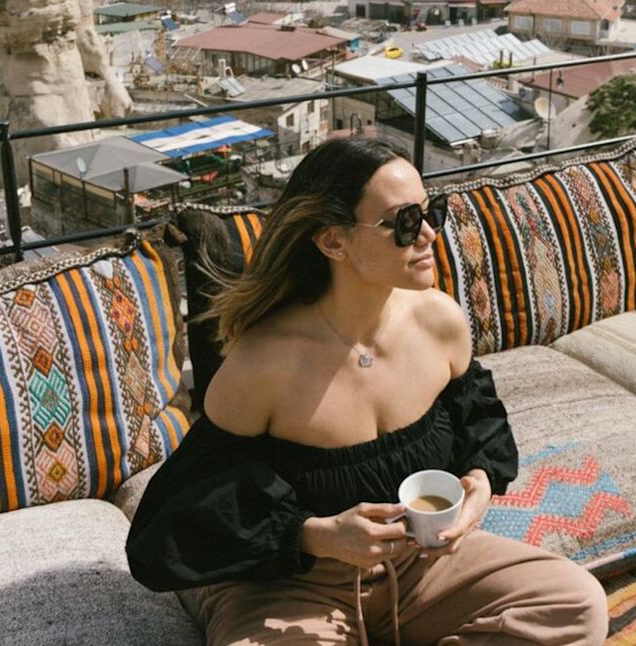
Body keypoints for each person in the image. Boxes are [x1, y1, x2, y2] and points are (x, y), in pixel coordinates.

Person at [126, 137, 608, 645]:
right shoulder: (264, 364)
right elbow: (177, 521)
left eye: (431, 212)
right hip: (295, 587)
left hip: (424, 567)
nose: (428, 234)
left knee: (575, 605)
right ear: (333, 242)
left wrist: (479, 488)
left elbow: (481, 424)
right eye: (403, 222)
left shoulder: (438, 321)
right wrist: (316, 534)